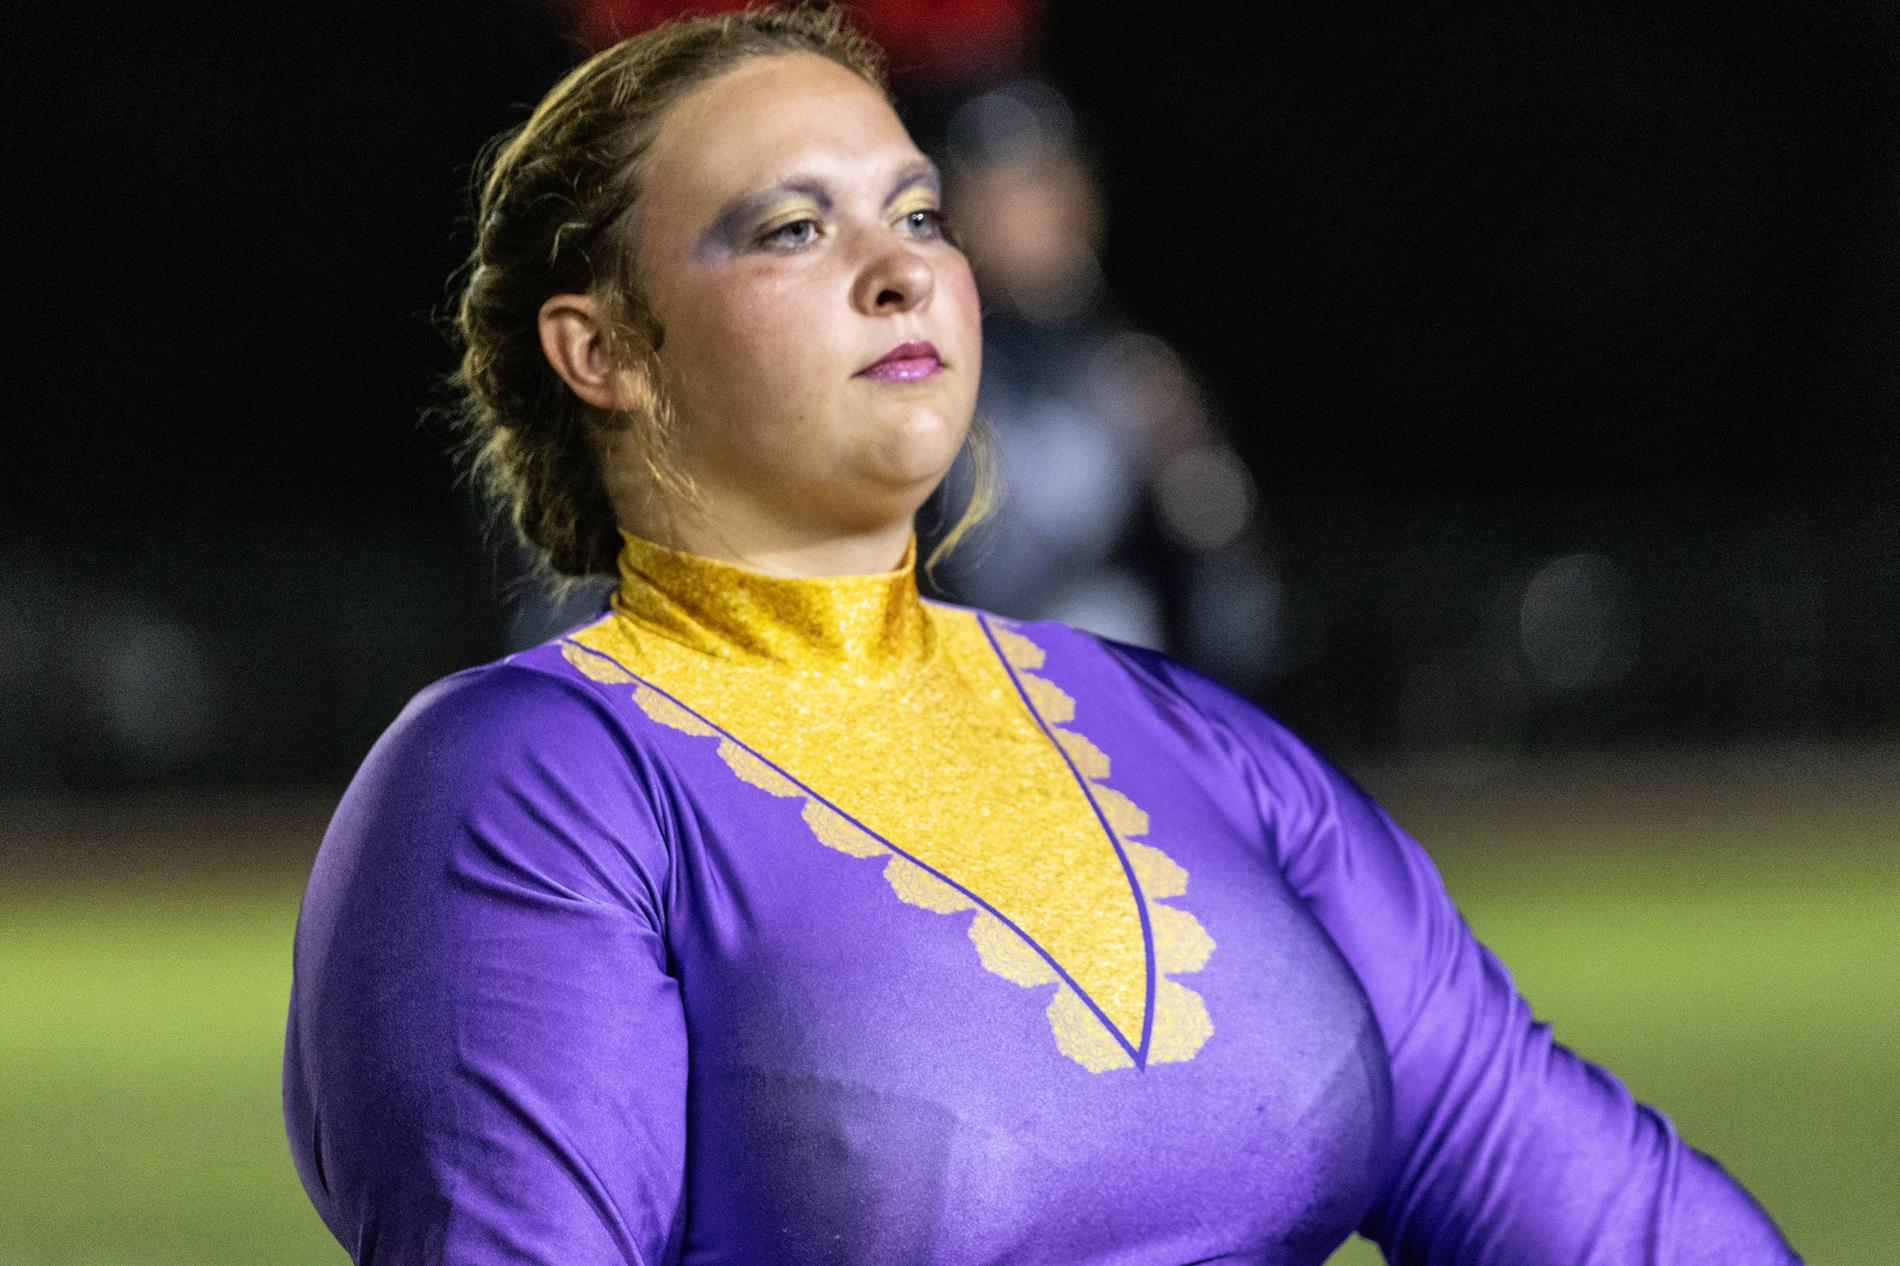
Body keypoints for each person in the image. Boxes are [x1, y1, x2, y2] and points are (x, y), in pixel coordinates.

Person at [282, 7, 1799, 1263]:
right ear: (599, 347)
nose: (903, 267)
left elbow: (1611, 1214)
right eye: (794, 227)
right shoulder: (530, 780)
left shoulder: (1185, 740)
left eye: (919, 212)